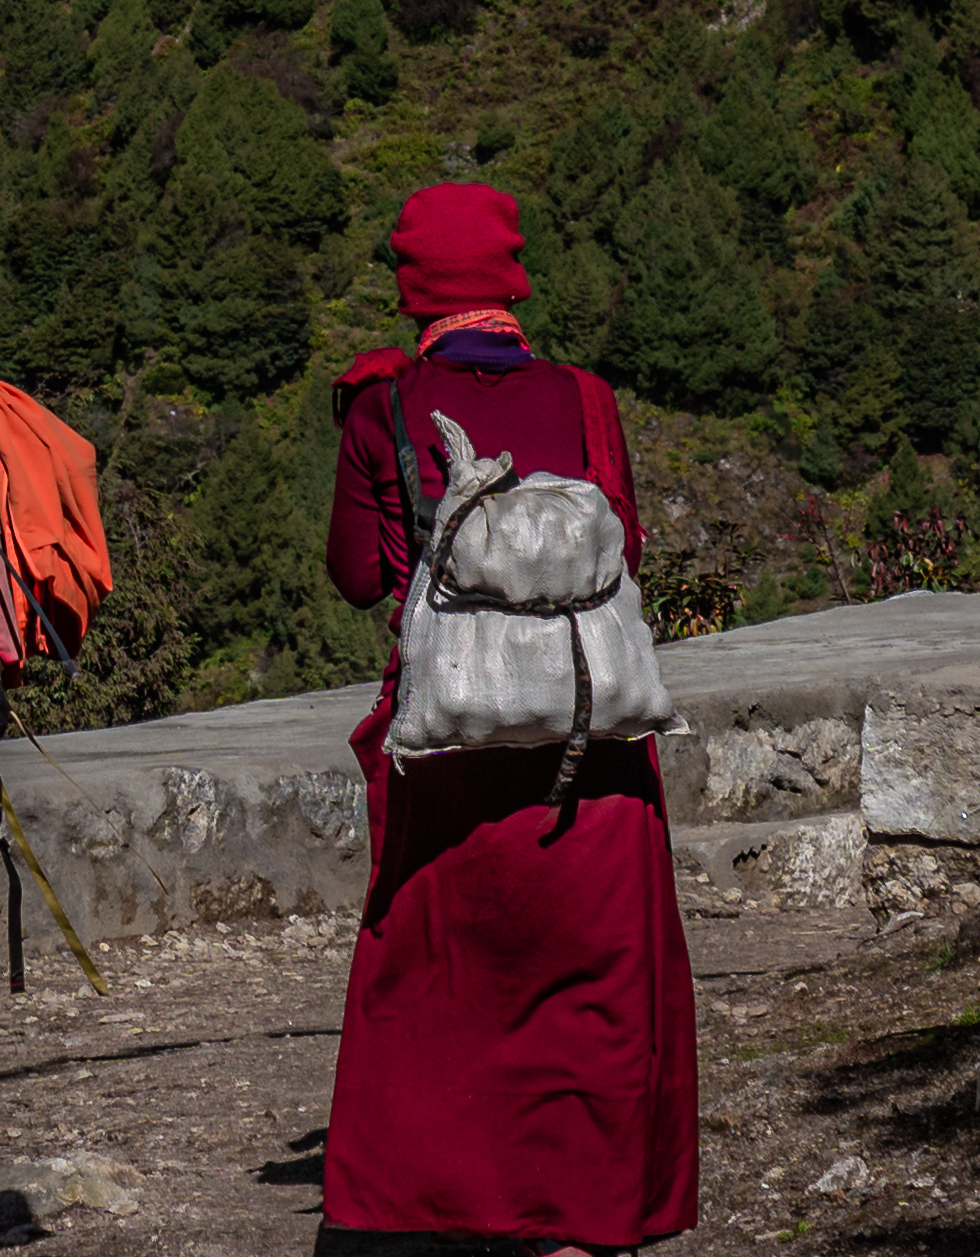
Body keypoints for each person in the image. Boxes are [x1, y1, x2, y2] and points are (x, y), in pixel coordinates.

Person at [317, 182, 697, 1254]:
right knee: (592, 1005)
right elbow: (627, 546)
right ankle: (578, 1228)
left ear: (411, 284)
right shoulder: (585, 397)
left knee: (443, 1000)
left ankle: (451, 1207)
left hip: (450, 753)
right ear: (512, 275)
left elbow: (356, 577)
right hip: (594, 748)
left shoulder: (383, 405)